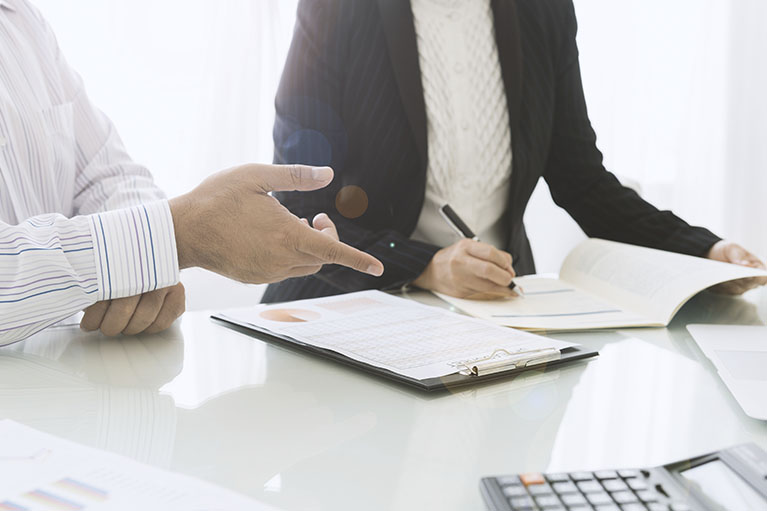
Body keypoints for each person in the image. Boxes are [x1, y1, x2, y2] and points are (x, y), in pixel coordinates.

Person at [262, 0, 767, 303]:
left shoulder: (541, 10)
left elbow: (583, 181)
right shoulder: (337, 8)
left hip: (495, 320)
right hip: (342, 310)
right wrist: (425, 266)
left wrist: (703, 252)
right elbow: (302, 203)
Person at [0, 0, 383, 346]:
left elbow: (110, 175)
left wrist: (143, 268)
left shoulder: (21, 21)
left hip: (67, 375)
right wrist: (172, 238)